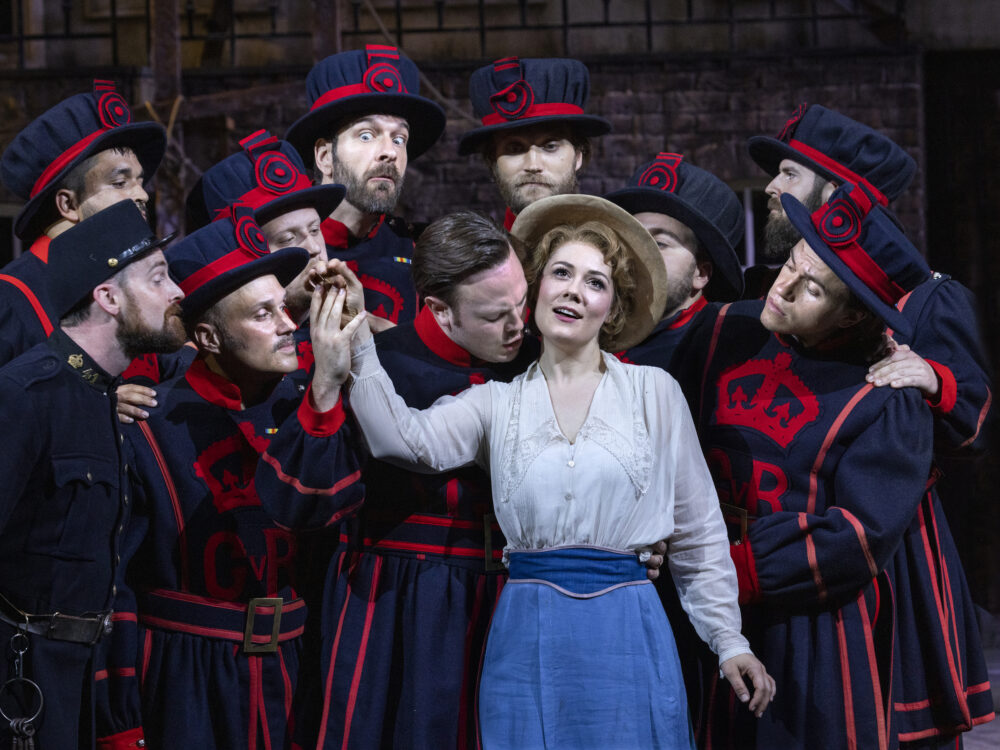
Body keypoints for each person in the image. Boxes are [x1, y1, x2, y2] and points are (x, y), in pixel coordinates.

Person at [340, 195, 774, 748]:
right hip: (526, 632)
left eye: (596, 282)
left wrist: (728, 640)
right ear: (535, 290)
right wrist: (355, 339)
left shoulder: (654, 394)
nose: (574, 289)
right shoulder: (495, 403)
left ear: (611, 307)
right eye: (561, 272)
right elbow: (399, 438)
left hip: (628, 628)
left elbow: (698, 533)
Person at [685, 183, 993, 748]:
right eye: (792, 266)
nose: (784, 289)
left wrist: (735, 571)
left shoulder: (887, 395)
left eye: (813, 290)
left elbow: (856, 535)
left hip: (805, 624)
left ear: (853, 315)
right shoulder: (723, 328)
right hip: (697, 597)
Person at [94, 207, 365, 749]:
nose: (291, 326)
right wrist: (119, 723)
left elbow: (325, 519)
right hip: (183, 679)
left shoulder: (311, 404)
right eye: (263, 314)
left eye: (284, 308)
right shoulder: (149, 420)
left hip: (296, 671)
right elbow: (115, 590)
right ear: (209, 339)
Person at [0, 199, 183, 749]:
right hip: (18, 684)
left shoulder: (104, 397)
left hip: (77, 680)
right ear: (107, 297)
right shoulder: (25, 395)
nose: (177, 292)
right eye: (158, 278)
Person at [749, 104, 992, 456]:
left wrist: (937, 383)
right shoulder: (765, 287)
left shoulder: (930, 301)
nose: (771, 187)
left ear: (834, 196)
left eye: (790, 174)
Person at [0, 79, 166, 368]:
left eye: (140, 182)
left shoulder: (138, 278)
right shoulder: (11, 299)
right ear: (67, 204)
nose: (141, 195)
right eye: (119, 182)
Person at [285, 44, 446, 328]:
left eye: (399, 139)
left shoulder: (420, 251)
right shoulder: (280, 255)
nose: (390, 152)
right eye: (366, 135)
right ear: (325, 157)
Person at [606, 151, 744, 370]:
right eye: (631, 239)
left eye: (660, 244)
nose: (638, 254)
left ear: (701, 273)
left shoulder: (726, 352)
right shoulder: (594, 334)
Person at [458, 56, 611, 228]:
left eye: (550, 146)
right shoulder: (474, 255)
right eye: (515, 148)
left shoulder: (614, 252)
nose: (533, 165)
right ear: (492, 160)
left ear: (578, 156)